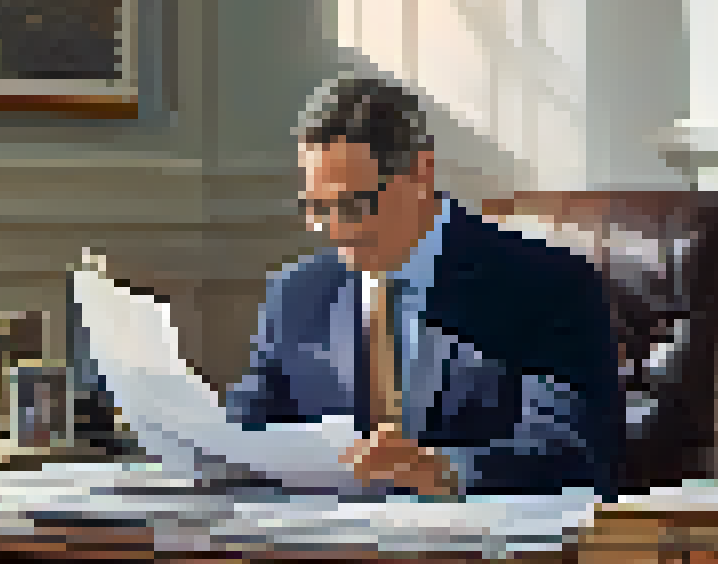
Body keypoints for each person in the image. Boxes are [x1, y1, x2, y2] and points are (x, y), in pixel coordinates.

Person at [224, 75, 623, 501]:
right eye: (316, 208)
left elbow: (576, 452)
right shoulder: (298, 293)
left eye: (353, 206)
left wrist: (447, 470)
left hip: (474, 554)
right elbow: (248, 432)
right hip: (318, 552)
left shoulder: (547, 286)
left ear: (420, 173)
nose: (332, 229)